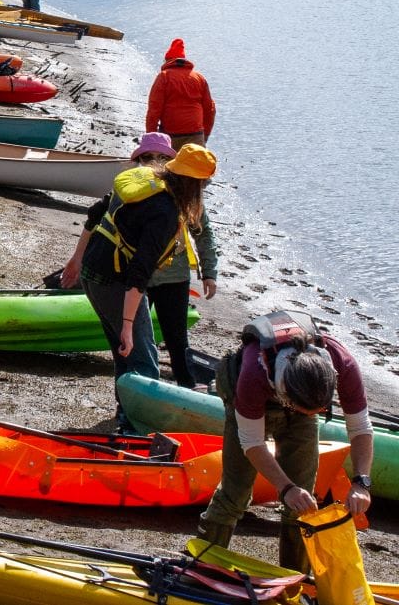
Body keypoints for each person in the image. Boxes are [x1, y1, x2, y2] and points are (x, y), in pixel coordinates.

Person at [197, 310, 374, 573]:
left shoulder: (342, 363)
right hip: (244, 398)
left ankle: (295, 579)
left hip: (299, 397)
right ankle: (201, 567)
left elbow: (360, 426)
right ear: (287, 397)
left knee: (305, 498)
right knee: (235, 493)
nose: (312, 417)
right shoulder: (253, 376)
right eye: (307, 411)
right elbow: (252, 443)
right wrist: (285, 488)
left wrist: (361, 481)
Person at [62, 132, 219, 389]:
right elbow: (140, 271)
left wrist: (77, 260)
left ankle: (126, 415)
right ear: (192, 183)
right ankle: (140, 422)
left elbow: (98, 214)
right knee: (144, 361)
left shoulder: (147, 181)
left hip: (94, 271)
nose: (203, 191)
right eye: (203, 185)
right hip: (113, 280)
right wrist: (127, 325)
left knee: (125, 354)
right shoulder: (165, 212)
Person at [145, 38, 216, 150]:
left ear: (167, 60)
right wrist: (205, 135)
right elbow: (210, 109)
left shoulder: (164, 77)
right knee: (195, 166)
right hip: (195, 135)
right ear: (184, 60)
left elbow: (154, 109)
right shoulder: (199, 78)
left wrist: (151, 137)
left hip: (170, 135)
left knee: (166, 166)